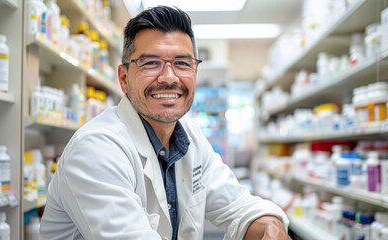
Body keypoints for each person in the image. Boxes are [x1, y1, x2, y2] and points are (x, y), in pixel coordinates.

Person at [40, 5, 290, 240]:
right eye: (151, 63)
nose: (169, 77)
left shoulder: (189, 138)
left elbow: (239, 207)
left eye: (182, 63)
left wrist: (271, 225)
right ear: (124, 78)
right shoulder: (96, 148)